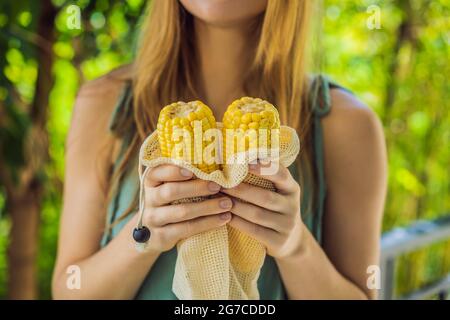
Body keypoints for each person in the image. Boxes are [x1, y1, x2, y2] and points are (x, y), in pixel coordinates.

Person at [52, 0, 387, 299]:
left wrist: (295, 247)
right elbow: (70, 288)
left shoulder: (347, 125)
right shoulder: (102, 104)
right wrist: (142, 237)